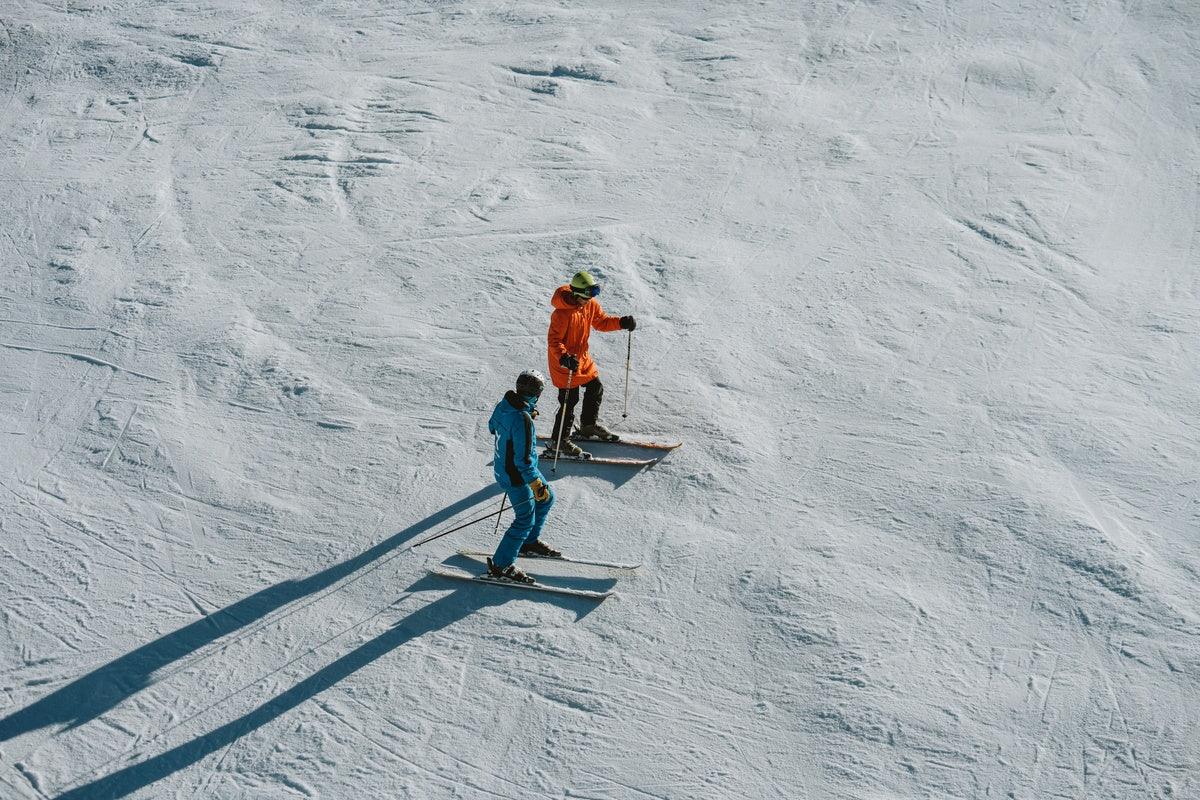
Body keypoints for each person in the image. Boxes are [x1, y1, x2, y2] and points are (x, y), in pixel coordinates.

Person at [544, 270, 636, 457]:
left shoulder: (590, 305)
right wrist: (563, 357)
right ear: (577, 294)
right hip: (564, 364)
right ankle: (558, 441)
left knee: (595, 387)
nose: (591, 299)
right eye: (588, 295)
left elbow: (601, 322)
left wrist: (621, 322)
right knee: (570, 401)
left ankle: (587, 426)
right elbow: (554, 341)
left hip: (583, 360)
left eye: (594, 294)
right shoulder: (561, 314)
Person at [486, 370, 561, 583]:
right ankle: (501, 565)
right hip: (517, 476)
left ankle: (528, 542)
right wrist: (535, 483)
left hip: (505, 469)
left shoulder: (504, 406)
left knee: (547, 499)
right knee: (525, 518)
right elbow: (524, 460)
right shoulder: (522, 419)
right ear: (537, 394)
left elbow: (492, 427)